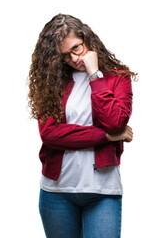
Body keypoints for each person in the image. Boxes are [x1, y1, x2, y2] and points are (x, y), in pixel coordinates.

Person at [27, 13, 135, 238]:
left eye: (77, 48)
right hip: (57, 192)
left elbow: (114, 122)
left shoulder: (117, 78)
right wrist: (106, 137)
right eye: (65, 56)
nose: (74, 59)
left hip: (103, 191)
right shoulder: (52, 82)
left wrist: (95, 75)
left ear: (87, 39)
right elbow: (50, 134)